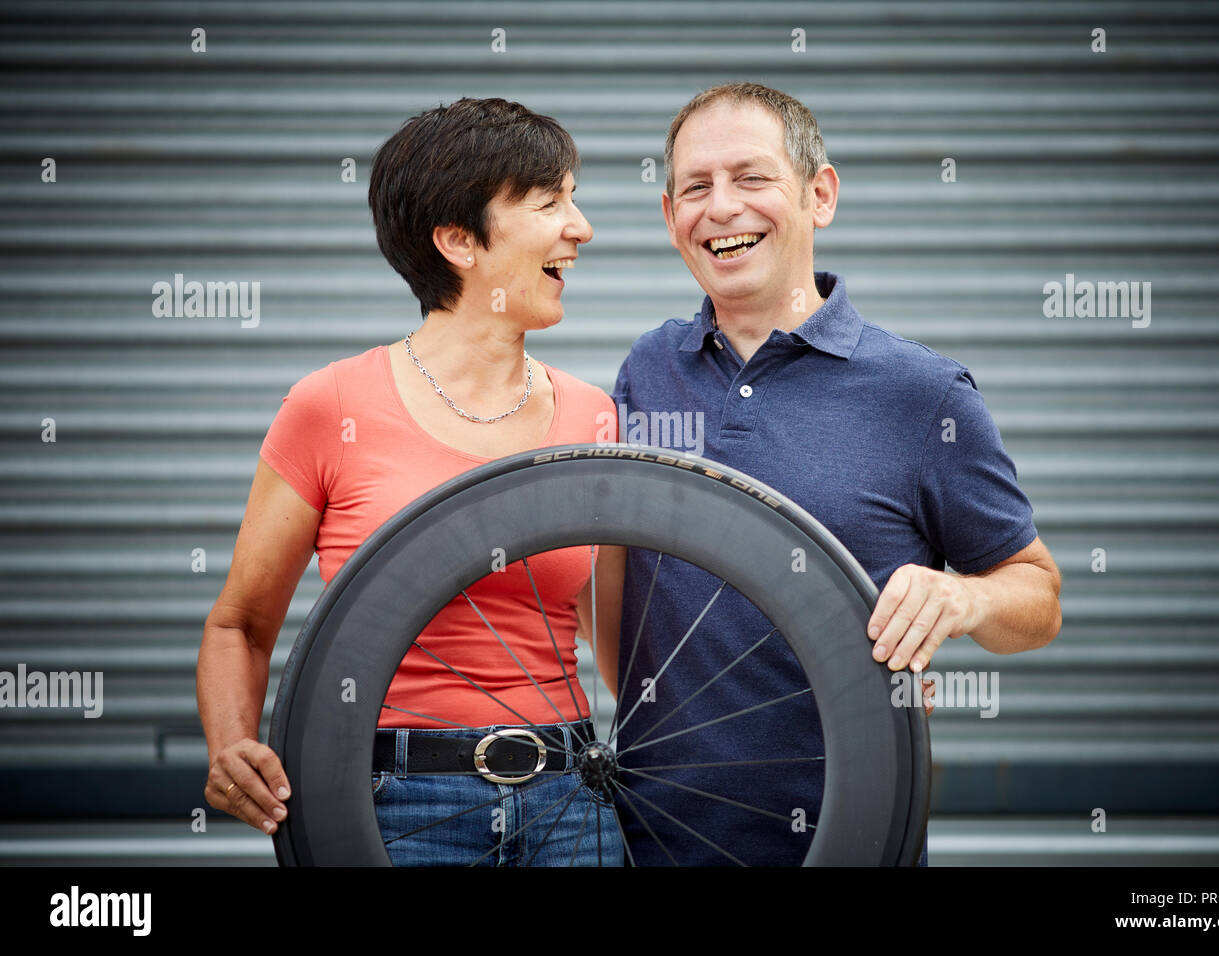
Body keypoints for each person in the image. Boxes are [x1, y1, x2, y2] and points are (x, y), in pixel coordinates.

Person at [608, 83, 1062, 866]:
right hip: (653, 838)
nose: (721, 208)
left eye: (752, 179)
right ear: (669, 216)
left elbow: (1038, 594)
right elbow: (615, 581)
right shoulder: (648, 371)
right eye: (696, 187)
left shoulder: (922, 394)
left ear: (820, 195)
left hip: (850, 834)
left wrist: (964, 596)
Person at [197, 97, 622, 866]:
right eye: (551, 202)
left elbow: (623, 650)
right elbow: (240, 625)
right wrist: (231, 746)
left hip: (571, 799)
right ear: (459, 240)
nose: (582, 227)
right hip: (394, 804)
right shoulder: (330, 405)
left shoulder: (594, 414)